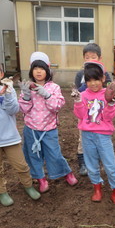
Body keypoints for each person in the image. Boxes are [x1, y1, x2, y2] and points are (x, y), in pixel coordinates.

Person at [0, 58, 41, 206]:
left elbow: (13, 110)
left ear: (2, 74)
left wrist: (10, 94)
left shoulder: (7, 89)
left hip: (10, 137)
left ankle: (28, 186)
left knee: (21, 165)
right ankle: (0, 191)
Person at [19, 52, 78, 193]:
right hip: (31, 129)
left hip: (49, 129)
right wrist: (26, 96)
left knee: (54, 154)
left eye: (42, 68)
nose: (38, 71)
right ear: (31, 70)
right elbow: (24, 110)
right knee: (33, 156)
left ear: (48, 70)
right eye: (35, 68)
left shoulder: (54, 87)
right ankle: (41, 179)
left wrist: (46, 94)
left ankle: (66, 173)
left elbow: (56, 107)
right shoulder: (28, 87)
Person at [72, 60, 115, 206]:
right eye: (89, 80)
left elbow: (108, 117)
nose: (93, 83)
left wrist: (111, 104)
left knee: (110, 164)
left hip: (103, 135)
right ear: (85, 82)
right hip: (87, 134)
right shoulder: (83, 94)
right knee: (91, 164)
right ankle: (97, 188)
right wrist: (78, 102)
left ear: (103, 79)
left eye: (96, 80)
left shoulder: (108, 94)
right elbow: (81, 115)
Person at [74, 43, 112, 176]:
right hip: (86, 113)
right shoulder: (81, 74)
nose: (90, 59)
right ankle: (83, 163)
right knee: (82, 140)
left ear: (100, 58)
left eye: (93, 57)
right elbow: (79, 90)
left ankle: (99, 162)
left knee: (101, 141)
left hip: (101, 114)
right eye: (87, 57)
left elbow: (109, 91)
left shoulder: (105, 74)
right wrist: (85, 88)